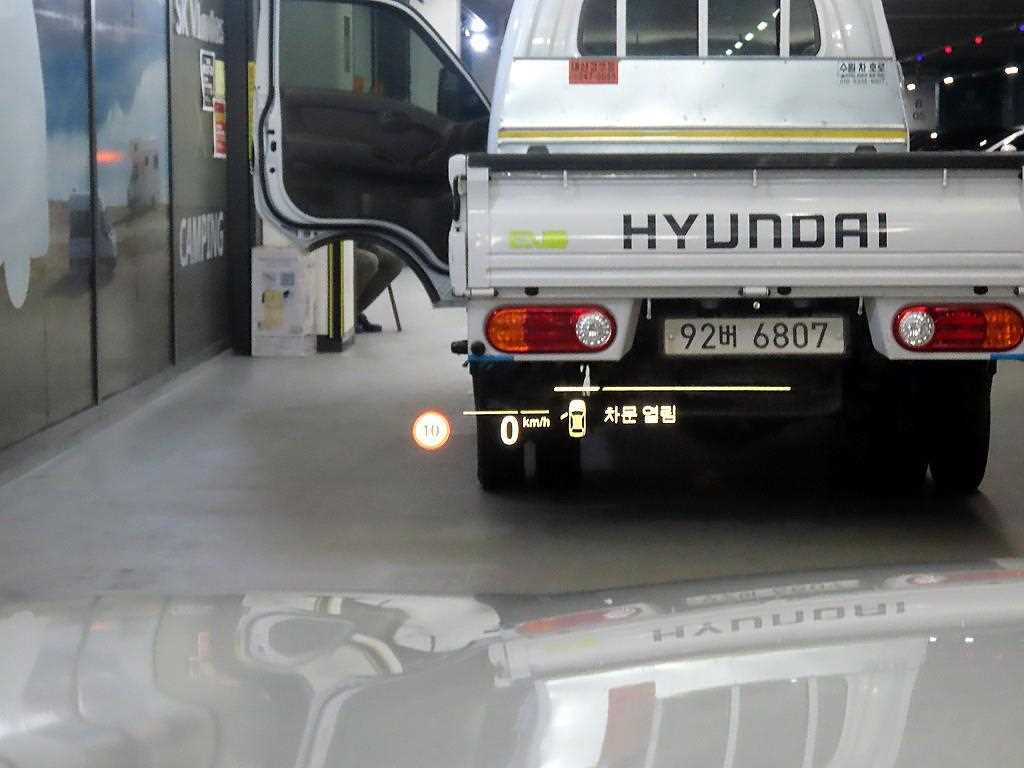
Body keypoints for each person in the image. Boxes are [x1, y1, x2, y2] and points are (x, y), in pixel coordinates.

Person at [353, 241, 403, 333]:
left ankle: (354, 311)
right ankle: (342, 314)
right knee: (368, 261)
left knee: (394, 263)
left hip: (355, 239)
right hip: (333, 244)